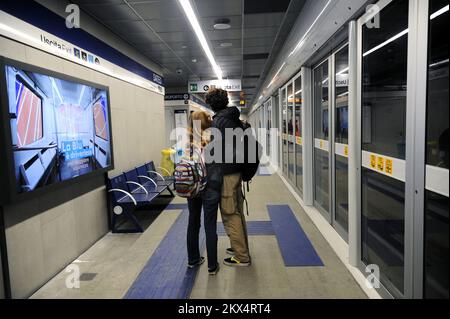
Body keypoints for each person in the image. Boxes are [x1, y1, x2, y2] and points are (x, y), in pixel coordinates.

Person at [205, 88, 251, 267]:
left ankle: (241, 256)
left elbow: (217, 151)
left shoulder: (219, 121)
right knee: (237, 211)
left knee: (230, 213)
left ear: (211, 104)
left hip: (227, 173)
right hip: (237, 170)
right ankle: (240, 247)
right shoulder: (233, 118)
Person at [185, 111, 221, 275]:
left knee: (193, 222)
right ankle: (212, 266)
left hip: (193, 188)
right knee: (210, 224)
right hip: (211, 187)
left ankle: (193, 260)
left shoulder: (187, 144)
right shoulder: (214, 140)